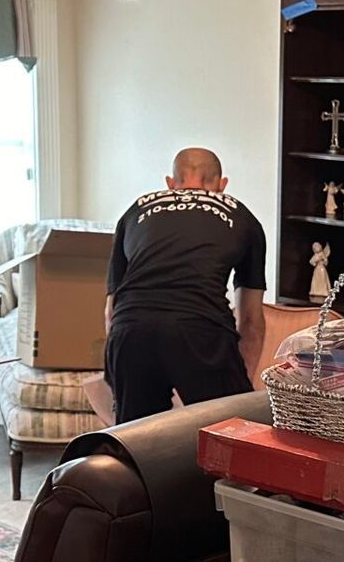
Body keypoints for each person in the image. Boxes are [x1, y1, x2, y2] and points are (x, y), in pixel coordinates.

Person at [104, 147, 267, 423]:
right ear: (222, 185)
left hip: (131, 330)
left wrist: (119, 369)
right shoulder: (243, 217)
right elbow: (251, 321)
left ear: (170, 184)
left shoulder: (136, 209)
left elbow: (110, 311)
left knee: (136, 442)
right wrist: (240, 397)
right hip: (201, 331)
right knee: (229, 436)